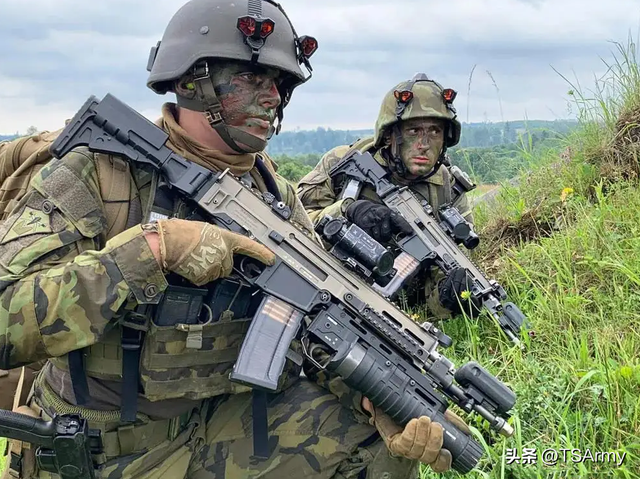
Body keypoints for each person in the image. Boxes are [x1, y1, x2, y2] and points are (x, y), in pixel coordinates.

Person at [0, 2, 467, 478]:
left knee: (375, 443)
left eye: (280, 85)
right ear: (191, 83)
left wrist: (375, 398)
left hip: (218, 431)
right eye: (251, 80)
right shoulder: (101, 173)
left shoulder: (274, 195)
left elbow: (317, 329)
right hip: (102, 453)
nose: (272, 100)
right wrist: (154, 251)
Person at [298, 74, 477, 318]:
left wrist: (449, 300)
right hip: (323, 288)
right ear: (391, 135)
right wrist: (347, 211)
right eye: (414, 130)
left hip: (389, 311)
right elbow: (291, 226)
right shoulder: (342, 163)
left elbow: (437, 286)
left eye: (434, 131)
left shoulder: (448, 190)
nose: (424, 144)